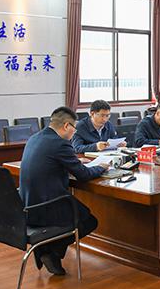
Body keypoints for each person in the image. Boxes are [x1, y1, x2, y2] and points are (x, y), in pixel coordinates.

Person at [19, 106, 108, 275]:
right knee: (89, 221)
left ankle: (45, 249)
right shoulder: (60, 144)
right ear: (67, 126)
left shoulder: (34, 138)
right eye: (74, 128)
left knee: (80, 214)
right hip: (48, 205)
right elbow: (83, 175)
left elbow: (50, 164)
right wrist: (101, 167)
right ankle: (50, 252)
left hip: (27, 204)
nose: (75, 132)